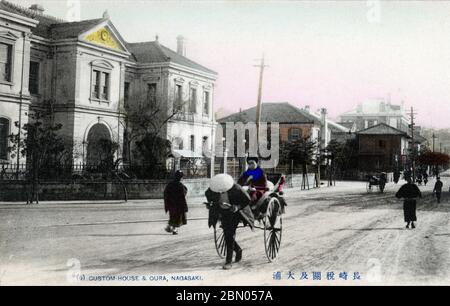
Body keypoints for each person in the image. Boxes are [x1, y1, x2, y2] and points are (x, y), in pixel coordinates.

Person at [205, 174, 254, 270]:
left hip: (235, 213)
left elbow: (247, 200)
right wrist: (210, 204)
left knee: (229, 235)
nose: (221, 192)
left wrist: (237, 207)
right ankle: (238, 250)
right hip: (222, 212)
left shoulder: (236, 188)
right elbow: (208, 196)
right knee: (227, 234)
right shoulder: (212, 189)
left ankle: (228, 261)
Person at [164, 170, 188, 235]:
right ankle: (174, 229)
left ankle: (169, 227)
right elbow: (183, 194)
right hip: (178, 205)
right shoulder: (180, 185)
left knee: (172, 216)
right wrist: (185, 206)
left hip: (171, 204)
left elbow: (166, 194)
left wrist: (167, 204)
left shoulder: (170, 184)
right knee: (177, 217)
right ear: (180, 177)